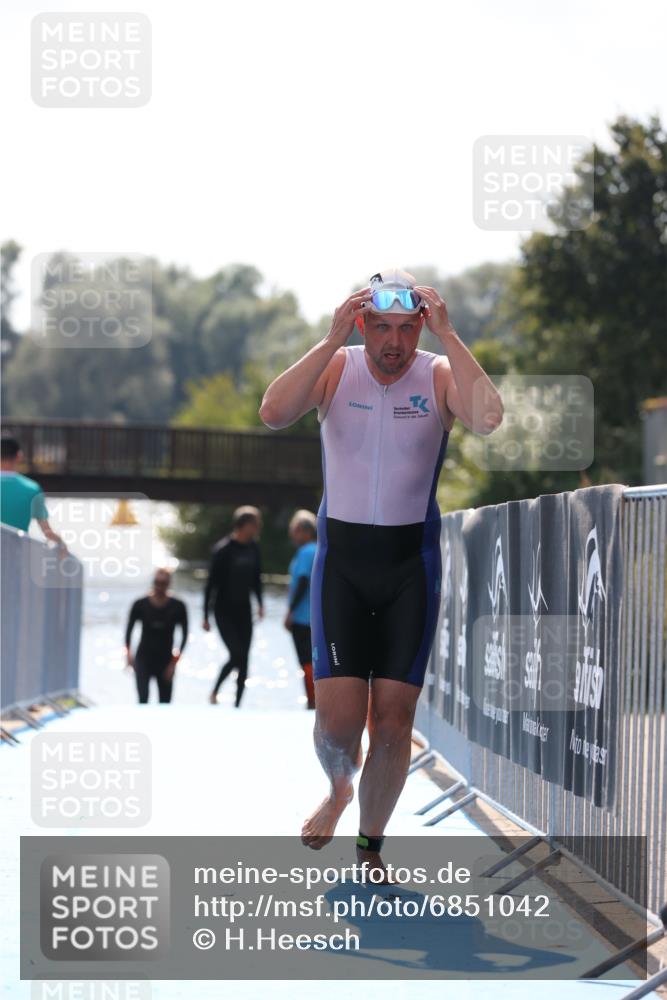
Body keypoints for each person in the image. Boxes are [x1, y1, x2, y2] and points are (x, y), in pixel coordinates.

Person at [259, 267, 504, 879]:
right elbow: (272, 412)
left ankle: (370, 843)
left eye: (406, 327)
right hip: (342, 565)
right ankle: (340, 789)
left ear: (419, 324)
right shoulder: (338, 367)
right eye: (381, 327)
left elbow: (491, 419)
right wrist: (328, 337)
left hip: (408, 567)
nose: (393, 342)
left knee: (394, 722)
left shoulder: (439, 373)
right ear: (363, 324)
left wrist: (448, 335)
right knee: (338, 723)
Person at [203, 505, 264, 707]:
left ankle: (237, 705)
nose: (257, 528)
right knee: (236, 653)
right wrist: (205, 616)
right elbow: (210, 585)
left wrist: (261, 603)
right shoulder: (223, 550)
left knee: (245, 659)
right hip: (223, 611)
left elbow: (256, 579)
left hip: (244, 610)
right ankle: (215, 692)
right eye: (255, 524)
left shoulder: (253, 548)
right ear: (243, 525)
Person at [125, 567, 188, 704]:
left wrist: (173, 663)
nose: (160, 587)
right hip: (143, 658)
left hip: (166, 660)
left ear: (169, 584)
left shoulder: (178, 606)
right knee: (143, 700)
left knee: (165, 703)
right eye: (157, 582)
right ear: (153, 582)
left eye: (163, 583)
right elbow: (128, 632)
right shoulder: (140, 604)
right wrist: (128, 655)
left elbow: (184, 637)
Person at [0, 435, 68, 552]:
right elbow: (47, 531)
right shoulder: (32, 489)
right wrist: (61, 544)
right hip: (17, 555)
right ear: (19, 456)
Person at [285, 509, 317, 710]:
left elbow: (304, 581)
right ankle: (312, 700)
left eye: (295, 530)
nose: (293, 534)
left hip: (304, 617)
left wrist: (290, 610)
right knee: (310, 661)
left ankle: (312, 701)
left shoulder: (307, 552)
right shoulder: (315, 549)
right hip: (312, 617)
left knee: (306, 661)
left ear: (306, 530)